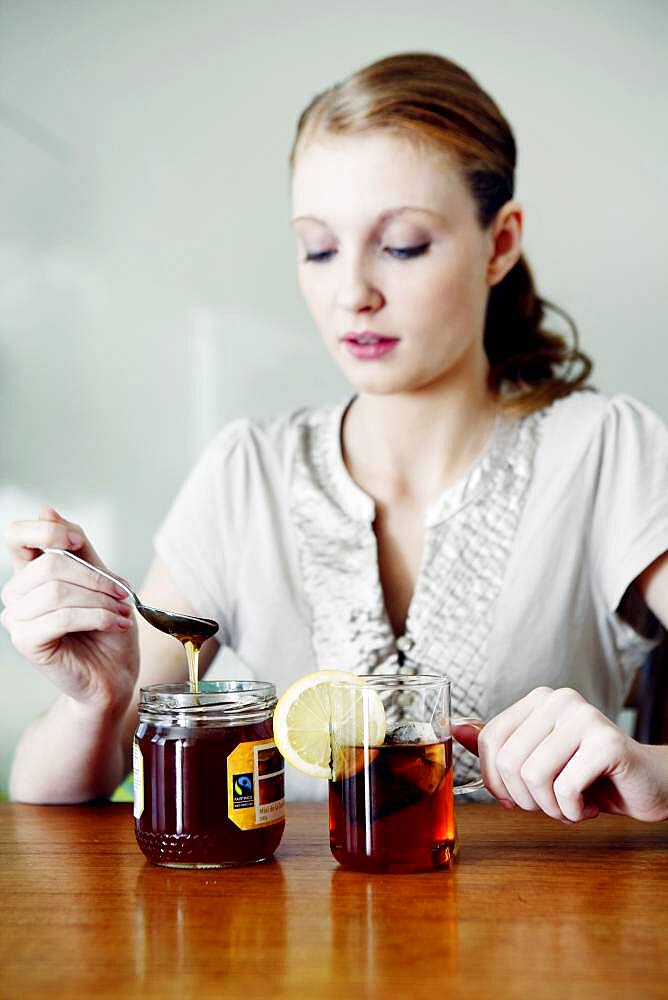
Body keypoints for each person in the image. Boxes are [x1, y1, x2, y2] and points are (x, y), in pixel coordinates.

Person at [3, 52, 668, 822]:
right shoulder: (247, 473)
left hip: (545, 933)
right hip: (304, 939)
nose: (352, 292)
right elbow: (54, 791)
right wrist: (99, 700)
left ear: (501, 243)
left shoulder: (607, 451)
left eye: (405, 245)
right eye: (319, 248)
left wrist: (651, 768)